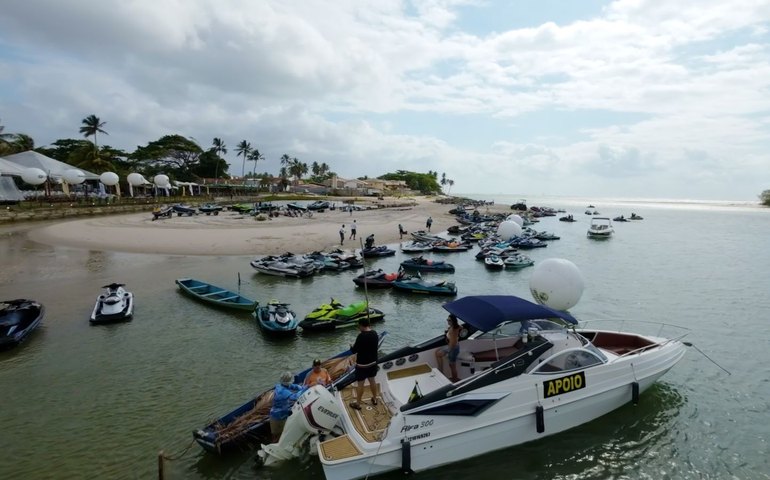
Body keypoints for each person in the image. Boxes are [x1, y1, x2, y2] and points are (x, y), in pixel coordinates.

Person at [349, 318, 379, 410]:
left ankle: (358, 404)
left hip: (362, 365)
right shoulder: (375, 334)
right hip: (373, 363)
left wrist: (351, 346)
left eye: (359, 326)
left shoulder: (361, 336)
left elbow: (354, 351)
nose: (358, 327)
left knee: (360, 384)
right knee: (372, 380)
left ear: (362, 325)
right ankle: (374, 399)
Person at [268, 371, 305, 442]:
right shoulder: (282, 392)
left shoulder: (279, 385)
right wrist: (305, 389)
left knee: (284, 433)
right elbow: (295, 397)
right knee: (276, 436)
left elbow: (293, 386)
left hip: (283, 413)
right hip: (277, 417)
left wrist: (301, 387)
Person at [436, 314, 461, 382]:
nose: (448, 321)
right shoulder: (456, 327)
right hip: (454, 347)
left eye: (449, 320)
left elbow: (452, 343)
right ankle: (441, 372)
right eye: (447, 320)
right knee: (437, 352)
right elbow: (461, 327)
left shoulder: (453, 329)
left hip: (453, 348)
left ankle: (455, 380)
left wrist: (448, 351)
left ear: (453, 321)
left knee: (452, 365)